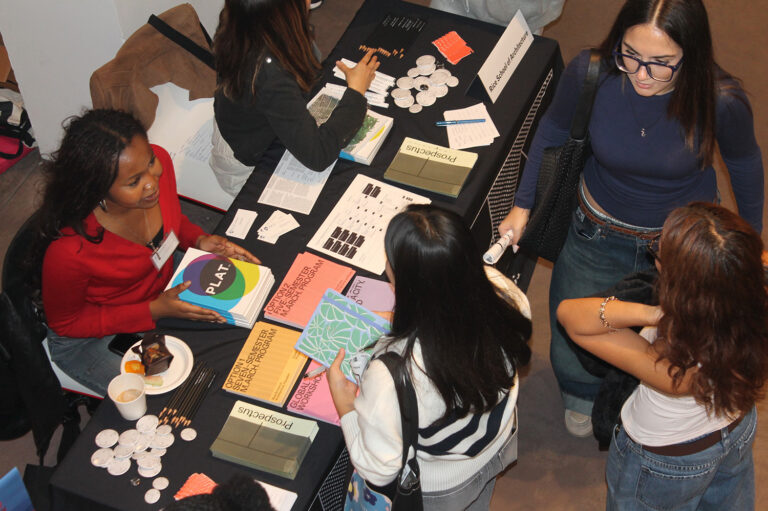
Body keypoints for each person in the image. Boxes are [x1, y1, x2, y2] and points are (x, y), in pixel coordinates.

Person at [498, 0, 763, 437]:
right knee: (575, 330)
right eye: (631, 55)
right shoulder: (591, 72)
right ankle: (581, 392)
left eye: (661, 63)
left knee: (675, 336)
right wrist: (522, 203)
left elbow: (745, 163)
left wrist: (751, 245)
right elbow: (552, 129)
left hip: (679, 245)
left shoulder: (721, 100)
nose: (641, 74)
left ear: (692, 55)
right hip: (596, 230)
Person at [557, 202, 768, 510]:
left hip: (668, 461)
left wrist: (655, 313)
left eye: (658, 252)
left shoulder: (677, 366)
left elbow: (570, 315)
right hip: (737, 428)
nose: (654, 253)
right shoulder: (753, 302)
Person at [38, 109, 259, 395]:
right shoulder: (69, 252)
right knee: (179, 397)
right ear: (97, 189)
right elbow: (67, 323)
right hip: (93, 334)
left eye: (150, 162)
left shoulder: (157, 166)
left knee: (244, 330)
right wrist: (152, 310)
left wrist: (198, 239)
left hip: (161, 287)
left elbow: (172, 220)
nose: (152, 182)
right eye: (133, 182)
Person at [327, 204, 532, 510]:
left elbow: (379, 468)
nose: (386, 266)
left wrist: (346, 408)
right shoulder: (506, 294)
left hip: (442, 486)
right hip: (496, 443)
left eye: (390, 260)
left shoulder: (393, 374)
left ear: (409, 286)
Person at [211, 0, 379, 196]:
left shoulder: (249, 21)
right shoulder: (271, 74)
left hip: (252, 120)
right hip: (247, 164)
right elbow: (318, 156)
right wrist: (356, 91)